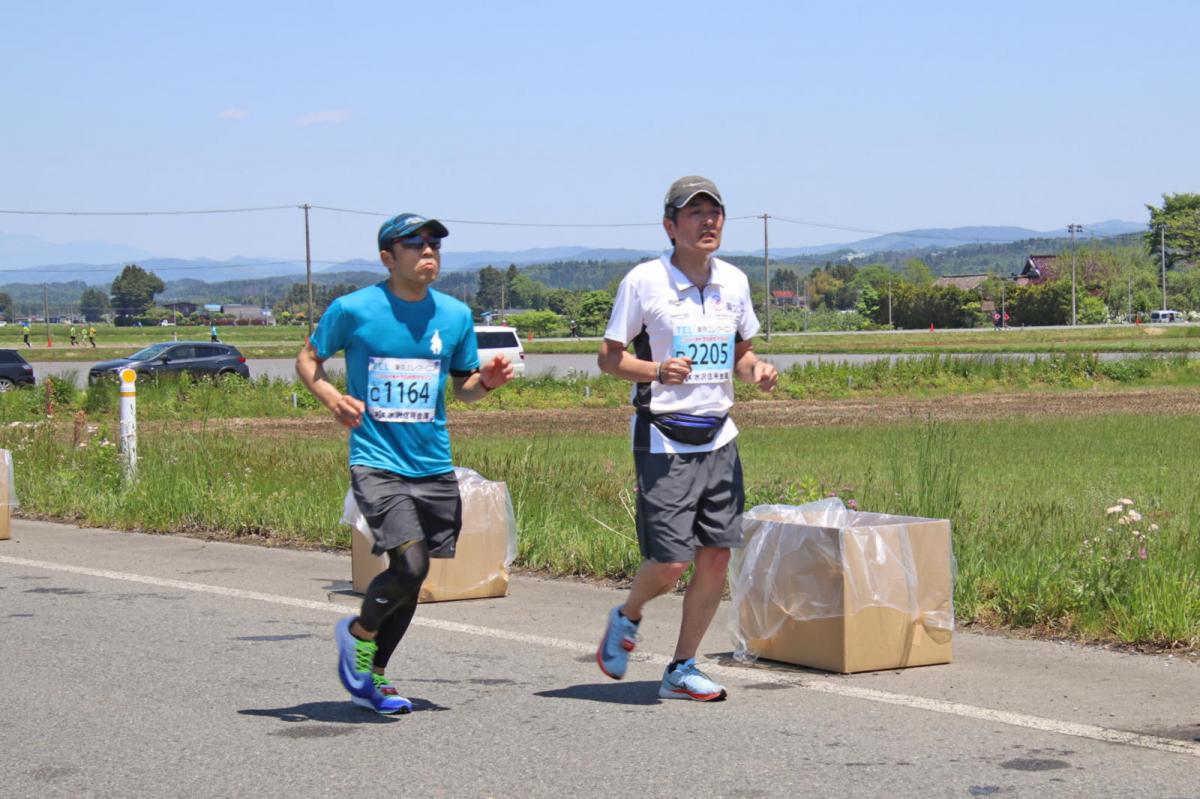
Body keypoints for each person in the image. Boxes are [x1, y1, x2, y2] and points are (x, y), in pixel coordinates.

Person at [296, 212, 514, 715]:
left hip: (433, 463)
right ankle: (358, 633)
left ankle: (373, 677)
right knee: (410, 562)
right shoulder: (354, 310)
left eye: (434, 241)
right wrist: (330, 396)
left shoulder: (455, 316)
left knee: (412, 576)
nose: (428, 249)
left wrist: (488, 383)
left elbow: (463, 387)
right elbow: (308, 360)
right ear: (388, 257)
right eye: (414, 243)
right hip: (375, 459)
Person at [595, 176, 778, 701]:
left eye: (714, 212)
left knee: (716, 555)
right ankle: (627, 615)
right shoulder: (644, 282)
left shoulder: (735, 283)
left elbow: (740, 354)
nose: (708, 222)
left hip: (719, 435)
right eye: (694, 214)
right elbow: (609, 359)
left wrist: (758, 371)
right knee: (672, 561)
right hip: (664, 439)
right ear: (670, 226)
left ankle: (681, 666)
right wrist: (655, 370)